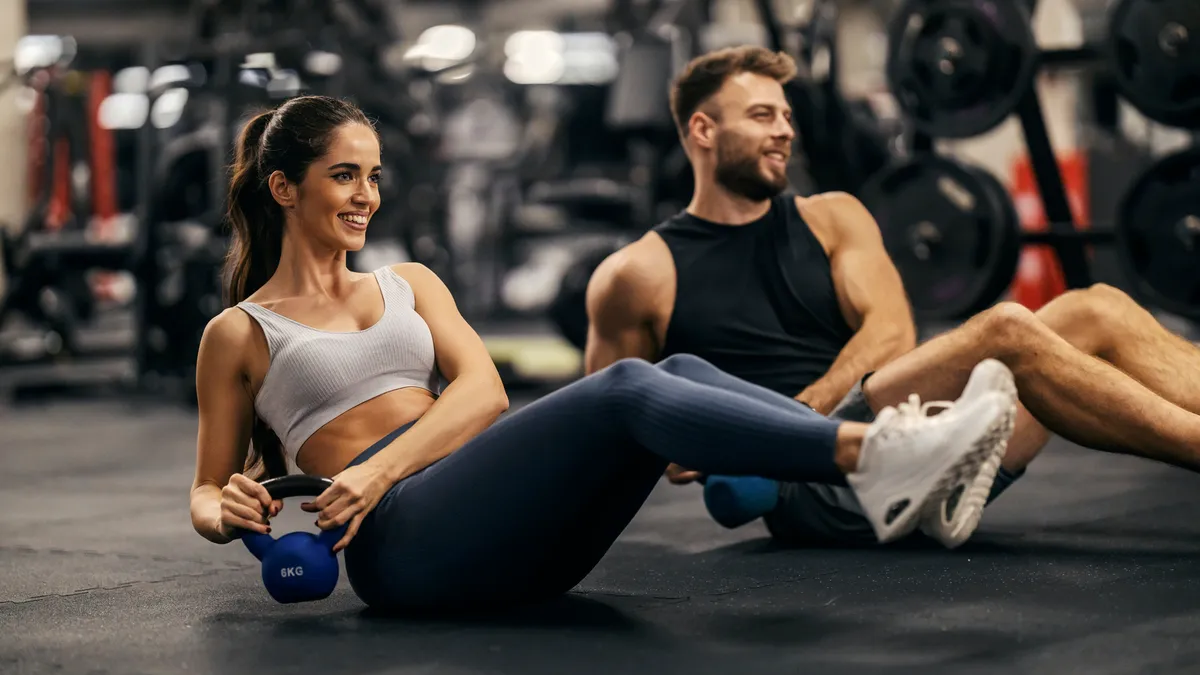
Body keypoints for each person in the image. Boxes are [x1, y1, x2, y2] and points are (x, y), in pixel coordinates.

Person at [187, 95, 1017, 613]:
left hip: (506, 528)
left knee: (675, 376)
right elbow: (203, 492)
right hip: (404, 551)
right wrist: (224, 511)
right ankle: (880, 457)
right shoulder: (242, 333)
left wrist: (376, 468)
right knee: (626, 386)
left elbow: (481, 396)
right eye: (343, 175)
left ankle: (882, 470)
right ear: (285, 188)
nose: (367, 194)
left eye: (373, 175)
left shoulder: (410, 282)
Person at [584, 45, 1200, 549]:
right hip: (814, 487)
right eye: (762, 116)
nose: (784, 132)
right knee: (1006, 330)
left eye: (786, 117)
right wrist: (728, 439)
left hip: (900, 429)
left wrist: (804, 415)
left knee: (1094, 306)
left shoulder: (831, 218)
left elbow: (891, 334)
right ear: (703, 128)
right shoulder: (637, 274)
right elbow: (613, 428)